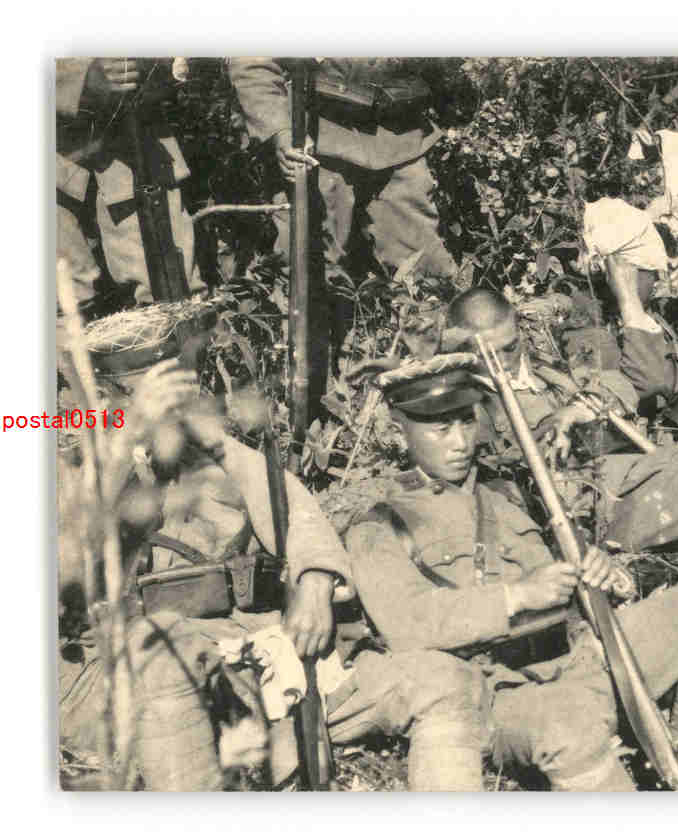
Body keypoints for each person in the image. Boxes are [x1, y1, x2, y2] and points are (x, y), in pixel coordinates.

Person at [58, 321, 483, 791]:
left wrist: (316, 581)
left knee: (442, 681)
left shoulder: (215, 454)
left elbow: (293, 511)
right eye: (153, 398)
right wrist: (127, 441)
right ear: (105, 398)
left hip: (270, 661)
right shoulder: (68, 466)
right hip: (147, 682)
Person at [342, 354, 678, 788]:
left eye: (466, 422)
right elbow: (408, 625)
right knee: (568, 725)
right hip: (503, 696)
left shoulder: (512, 494)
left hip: (584, 658)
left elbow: (564, 586)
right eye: (440, 429)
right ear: (401, 432)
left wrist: (603, 578)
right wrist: (515, 598)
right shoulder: (381, 524)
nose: (460, 442)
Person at [438, 282, 678, 582]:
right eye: (487, 354)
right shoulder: (466, 404)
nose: (504, 362)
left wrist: (579, 409)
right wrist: (547, 430)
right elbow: (498, 472)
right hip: (593, 507)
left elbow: (628, 383)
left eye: (510, 347)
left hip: (634, 473)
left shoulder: (546, 363)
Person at [229, 58, 457, 280]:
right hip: (316, 141)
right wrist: (280, 130)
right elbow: (252, 61)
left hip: (398, 136)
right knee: (313, 271)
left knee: (425, 272)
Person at [56, 58, 202, 311]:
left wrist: (159, 64)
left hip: (137, 147)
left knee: (174, 302)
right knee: (66, 305)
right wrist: (74, 77)